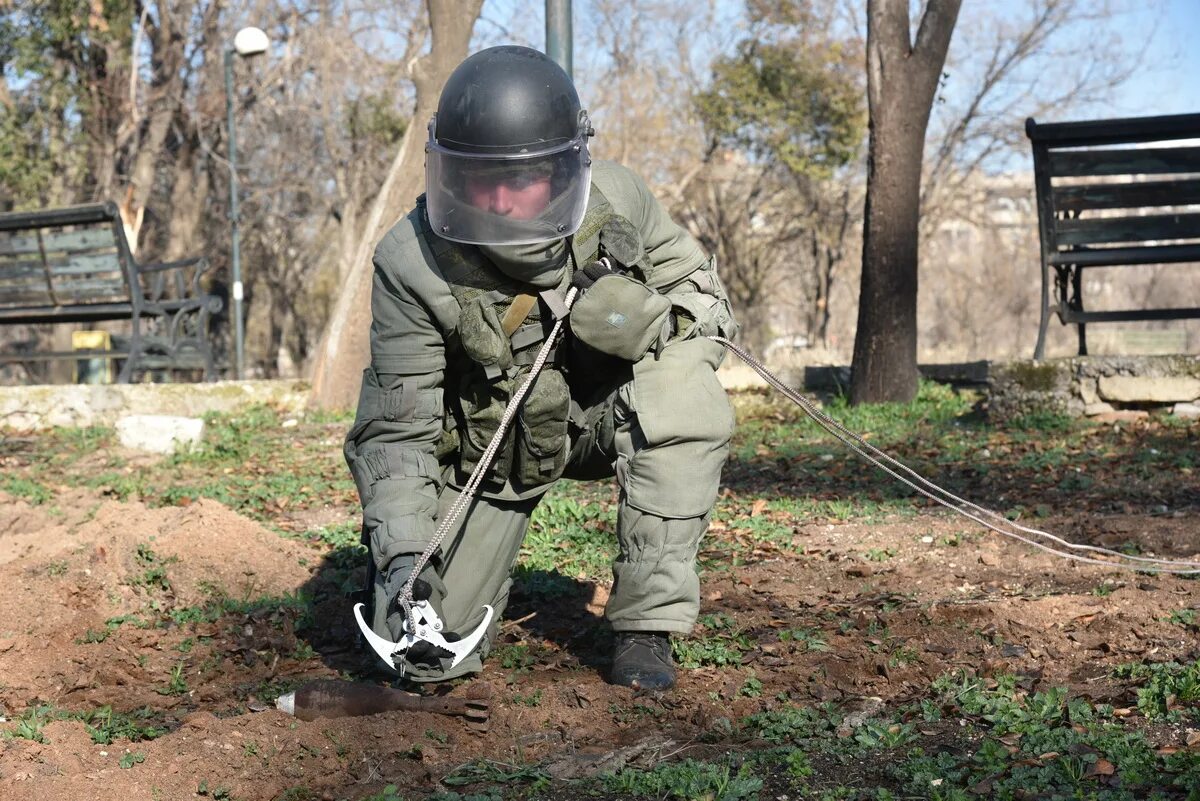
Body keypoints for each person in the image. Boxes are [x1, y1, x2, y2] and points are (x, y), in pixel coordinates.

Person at [344, 45, 737, 691]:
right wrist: (407, 559)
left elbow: (708, 309)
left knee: (684, 395)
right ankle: (411, 578)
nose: (498, 199)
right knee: (422, 660)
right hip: (490, 457)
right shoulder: (411, 261)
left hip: (602, 419)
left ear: (563, 169)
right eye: (480, 178)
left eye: (519, 177)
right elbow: (397, 433)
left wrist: (644, 318)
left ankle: (647, 624)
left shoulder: (618, 200)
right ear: (448, 172)